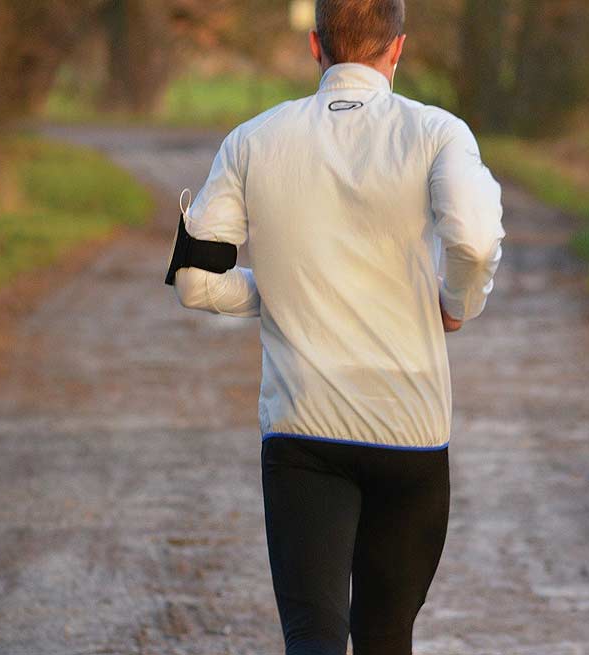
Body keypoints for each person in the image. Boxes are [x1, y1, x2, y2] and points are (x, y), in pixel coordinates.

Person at [165, 1, 505, 652]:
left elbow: (196, 283)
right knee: (384, 637)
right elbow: (474, 237)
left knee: (313, 638)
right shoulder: (439, 133)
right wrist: (460, 301)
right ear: (398, 49)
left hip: (301, 431)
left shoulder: (251, 140)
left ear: (315, 47)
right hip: (409, 429)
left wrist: (286, 294)